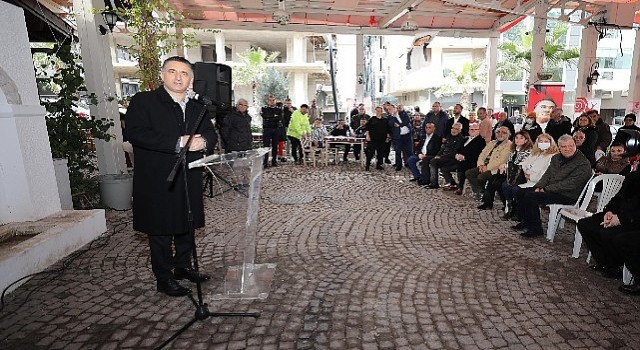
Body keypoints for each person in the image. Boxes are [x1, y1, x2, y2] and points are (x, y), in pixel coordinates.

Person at [124, 56, 216, 297]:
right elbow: (135, 133)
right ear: (163, 75)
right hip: (158, 178)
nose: (178, 77)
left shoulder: (198, 106)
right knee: (161, 230)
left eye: (184, 73)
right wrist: (178, 142)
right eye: (173, 71)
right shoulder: (144, 101)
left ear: (191, 79)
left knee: (187, 225)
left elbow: (210, 133)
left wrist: (204, 141)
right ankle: (163, 278)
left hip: (190, 175)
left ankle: (183, 267)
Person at [513, 135, 592, 237]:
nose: (567, 149)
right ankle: (526, 221)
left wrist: (545, 189)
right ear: (559, 147)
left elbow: (570, 184)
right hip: (553, 190)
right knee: (521, 192)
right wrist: (539, 186)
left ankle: (536, 229)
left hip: (569, 195)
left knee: (531, 196)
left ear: (575, 145)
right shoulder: (556, 158)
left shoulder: (582, 163)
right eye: (563, 146)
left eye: (571, 146)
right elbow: (547, 175)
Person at [576, 169, 640, 284]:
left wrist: (621, 219)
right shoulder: (634, 176)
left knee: (610, 234)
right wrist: (609, 211)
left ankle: (630, 274)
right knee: (585, 224)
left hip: (634, 221)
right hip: (620, 214)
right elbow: (618, 197)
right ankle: (607, 264)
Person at [502, 134, 558, 219]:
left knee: (517, 189)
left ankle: (519, 212)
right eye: (541, 141)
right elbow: (525, 164)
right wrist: (526, 173)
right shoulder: (535, 153)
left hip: (539, 182)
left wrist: (531, 176)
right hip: (528, 179)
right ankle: (514, 208)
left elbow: (545, 172)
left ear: (551, 143)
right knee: (507, 185)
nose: (543, 143)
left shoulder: (553, 156)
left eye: (546, 142)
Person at [480, 131, 532, 211]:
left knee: (500, 183)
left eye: (521, 138)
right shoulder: (515, 149)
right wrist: (505, 165)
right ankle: (489, 203)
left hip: (521, 175)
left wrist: (506, 165)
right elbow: (510, 161)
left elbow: (520, 164)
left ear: (526, 140)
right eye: (516, 138)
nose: (518, 140)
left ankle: (510, 206)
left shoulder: (528, 151)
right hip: (510, 173)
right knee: (493, 180)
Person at [466, 126, 512, 200]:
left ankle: (483, 194)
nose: (500, 134)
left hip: (495, 169)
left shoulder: (509, 145)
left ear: (508, 135)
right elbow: (482, 154)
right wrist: (481, 165)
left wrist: (487, 167)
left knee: (481, 177)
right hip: (483, 166)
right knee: (469, 173)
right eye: (498, 132)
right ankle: (480, 192)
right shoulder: (492, 143)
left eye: (504, 133)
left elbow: (501, 160)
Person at [387, 104, 413, 171]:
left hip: (407, 135)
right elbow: (390, 124)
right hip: (398, 136)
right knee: (398, 151)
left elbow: (407, 121)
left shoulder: (403, 113)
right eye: (388, 110)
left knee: (409, 151)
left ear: (395, 108)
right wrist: (393, 116)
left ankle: (410, 164)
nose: (390, 110)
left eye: (391, 109)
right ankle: (398, 165)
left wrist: (400, 125)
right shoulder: (390, 117)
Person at [365, 106, 390, 170]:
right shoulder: (372, 119)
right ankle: (367, 165)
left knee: (380, 153)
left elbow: (387, 129)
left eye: (379, 111)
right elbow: (367, 128)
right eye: (377, 111)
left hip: (382, 139)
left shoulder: (385, 120)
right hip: (373, 139)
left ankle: (378, 165)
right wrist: (368, 135)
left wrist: (387, 137)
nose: (378, 112)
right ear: (375, 111)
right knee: (371, 152)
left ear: (382, 112)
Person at [261, 95, 283, 167]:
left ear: (275, 101)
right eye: (270, 100)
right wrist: (273, 116)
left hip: (276, 129)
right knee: (266, 146)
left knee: (275, 146)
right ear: (267, 101)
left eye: (273, 100)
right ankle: (265, 162)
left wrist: (270, 117)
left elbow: (279, 118)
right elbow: (265, 116)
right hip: (267, 129)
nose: (272, 102)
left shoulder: (279, 109)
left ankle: (274, 161)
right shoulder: (264, 108)